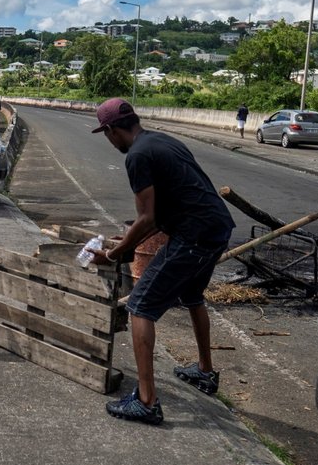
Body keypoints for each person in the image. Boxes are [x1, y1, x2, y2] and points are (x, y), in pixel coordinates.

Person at [89, 98, 235, 425]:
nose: (108, 140)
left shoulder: (138, 156)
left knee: (140, 306)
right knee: (192, 296)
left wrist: (113, 254)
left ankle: (146, 400)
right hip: (217, 227)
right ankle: (205, 372)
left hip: (194, 236)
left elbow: (145, 218)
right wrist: (123, 246)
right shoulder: (162, 140)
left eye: (106, 134)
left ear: (112, 130)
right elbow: (155, 220)